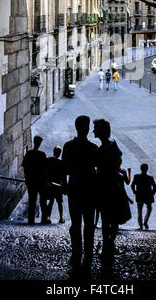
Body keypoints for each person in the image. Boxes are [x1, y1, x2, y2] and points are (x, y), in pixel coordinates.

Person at [62, 115, 99, 268]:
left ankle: (76, 252)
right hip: (89, 188)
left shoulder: (68, 146)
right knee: (89, 223)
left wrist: (64, 184)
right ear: (88, 128)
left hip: (74, 186)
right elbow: (99, 170)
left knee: (75, 223)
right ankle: (88, 254)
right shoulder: (93, 148)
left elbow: (64, 168)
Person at [93, 118, 131, 262]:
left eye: (95, 128)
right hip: (114, 186)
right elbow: (118, 161)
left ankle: (107, 243)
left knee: (105, 217)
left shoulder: (103, 149)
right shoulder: (113, 143)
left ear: (101, 131)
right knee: (113, 217)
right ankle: (110, 242)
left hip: (105, 187)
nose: (93, 131)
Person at [22, 135, 49, 225]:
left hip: (32, 180)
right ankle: (44, 219)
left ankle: (31, 220)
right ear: (40, 143)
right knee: (43, 201)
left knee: (32, 201)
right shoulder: (42, 155)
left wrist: (26, 178)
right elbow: (45, 170)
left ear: (34, 142)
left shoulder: (29, 154)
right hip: (41, 181)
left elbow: (25, 167)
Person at [131, 163, 156, 230]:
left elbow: (132, 185)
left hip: (139, 196)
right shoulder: (150, 178)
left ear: (141, 169)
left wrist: (135, 192)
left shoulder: (136, 176)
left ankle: (140, 226)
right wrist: (152, 193)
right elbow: (155, 187)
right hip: (148, 196)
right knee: (149, 208)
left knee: (139, 211)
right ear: (147, 169)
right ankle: (145, 221)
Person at [46, 146, 66, 223]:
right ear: (59, 153)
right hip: (58, 185)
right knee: (60, 202)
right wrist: (64, 186)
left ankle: (48, 217)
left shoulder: (48, 161)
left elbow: (46, 172)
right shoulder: (60, 163)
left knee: (51, 201)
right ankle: (61, 218)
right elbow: (63, 176)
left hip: (50, 184)